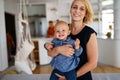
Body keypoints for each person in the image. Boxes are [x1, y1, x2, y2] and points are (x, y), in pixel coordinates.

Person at [45, 0, 98, 80]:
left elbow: (93, 63)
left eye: (82, 9)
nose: (77, 11)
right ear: (70, 10)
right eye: (75, 7)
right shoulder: (62, 29)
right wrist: (59, 49)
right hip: (61, 72)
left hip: (80, 77)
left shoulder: (90, 33)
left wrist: (69, 77)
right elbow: (50, 53)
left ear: (86, 13)